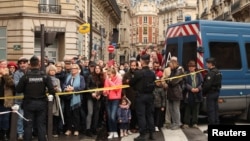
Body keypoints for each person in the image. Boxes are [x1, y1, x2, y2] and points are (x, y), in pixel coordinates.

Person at [15, 55, 56, 141]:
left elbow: (18, 89)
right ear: (39, 64)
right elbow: (52, 90)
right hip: (41, 103)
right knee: (41, 125)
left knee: (28, 125)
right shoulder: (44, 76)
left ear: (30, 65)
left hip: (28, 103)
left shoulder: (25, 77)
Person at [129, 54, 156, 141]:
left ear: (142, 61)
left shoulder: (138, 73)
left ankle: (142, 135)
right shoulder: (152, 73)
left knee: (141, 116)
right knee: (150, 115)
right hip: (150, 96)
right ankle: (151, 133)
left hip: (140, 96)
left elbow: (131, 83)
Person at [62, 64, 85, 136]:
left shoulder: (81, 77)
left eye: (74, 68)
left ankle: (76, 129)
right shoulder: (68, 76)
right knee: (68, 114)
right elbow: (64, 84)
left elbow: (82, 87)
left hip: (76, 99)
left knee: (76, 115)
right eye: (72, 68)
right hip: (68, 97)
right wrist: (66, 88)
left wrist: (73, 89)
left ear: (78, 69)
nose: (73, 70)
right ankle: (69, 129)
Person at [202, 57, 222, 133]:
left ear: (211, 64)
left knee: (211, 111)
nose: (206, 64)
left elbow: (207, 85)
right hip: (216, 93)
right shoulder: (218, 72)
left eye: (207, 63)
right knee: (216, 110)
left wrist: (203, 92)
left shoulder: (211, 73)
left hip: (211, 93)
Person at [182, 60, 203, 129]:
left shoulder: (198, 74)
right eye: (190, 67)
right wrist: (191, 88)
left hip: (197, 94)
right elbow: (185, 83)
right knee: (188, 108)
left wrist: (198, 88)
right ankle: (186, 122)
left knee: (196, 109)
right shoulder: (186, 74)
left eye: (192, 67)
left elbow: (202, 83)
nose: (191, 68)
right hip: (189, 94)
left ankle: (194, 122)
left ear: (194, 67)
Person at [103, 68, 122, 139]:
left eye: (109, 74)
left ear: (113, 74)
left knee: (113, 116)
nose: (108, 75)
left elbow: (116, 88)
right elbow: (105, 88)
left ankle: (115, 131)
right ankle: (111, 131)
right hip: (108, 99)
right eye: (107, 74)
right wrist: (105, 92)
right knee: (109, 116)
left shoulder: (119, 79)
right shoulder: (107, 79)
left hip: (115, 99)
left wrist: (109, 81)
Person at [13, 56, 29, 140]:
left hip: (29, 98)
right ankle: (20, 133)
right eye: (21, 63)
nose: (22, 65)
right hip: (19, 99)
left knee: (29, 116)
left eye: (24, 63)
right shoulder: (17, 73)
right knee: (20, 117)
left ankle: (29, 132)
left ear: (27, 63)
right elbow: (17, 85)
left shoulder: (30, 72)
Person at [166, 59, 184, 130]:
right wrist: (168, 80)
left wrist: (169, 80)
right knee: (170, 108)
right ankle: (174, 122)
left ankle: (177, 123)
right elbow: (168, 80)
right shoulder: (173, 71)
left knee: (176, 108)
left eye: (170, 65)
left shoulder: (179, 71)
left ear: (173, 64)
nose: (169, 67)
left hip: (176, 92)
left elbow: (174, 81)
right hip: (171, 92)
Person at [0, 60, 15, 141]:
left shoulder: (10, 76)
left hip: (6, 101)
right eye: (1, 65)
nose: (3, 67)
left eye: (5, 66)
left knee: (5, 118)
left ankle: (5, 134)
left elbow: (11, 84)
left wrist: (5, 75)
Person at [122, 60, 138, 133]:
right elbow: (123, 85)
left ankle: (135, 126)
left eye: (134, 65)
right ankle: (129, 127)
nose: (133, 67)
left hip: (137, 95)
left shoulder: (138, 73)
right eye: (132, 65)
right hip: (129, 95)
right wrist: (124, 95)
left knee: (136, 112)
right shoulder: (126, 74)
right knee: (129, 111)